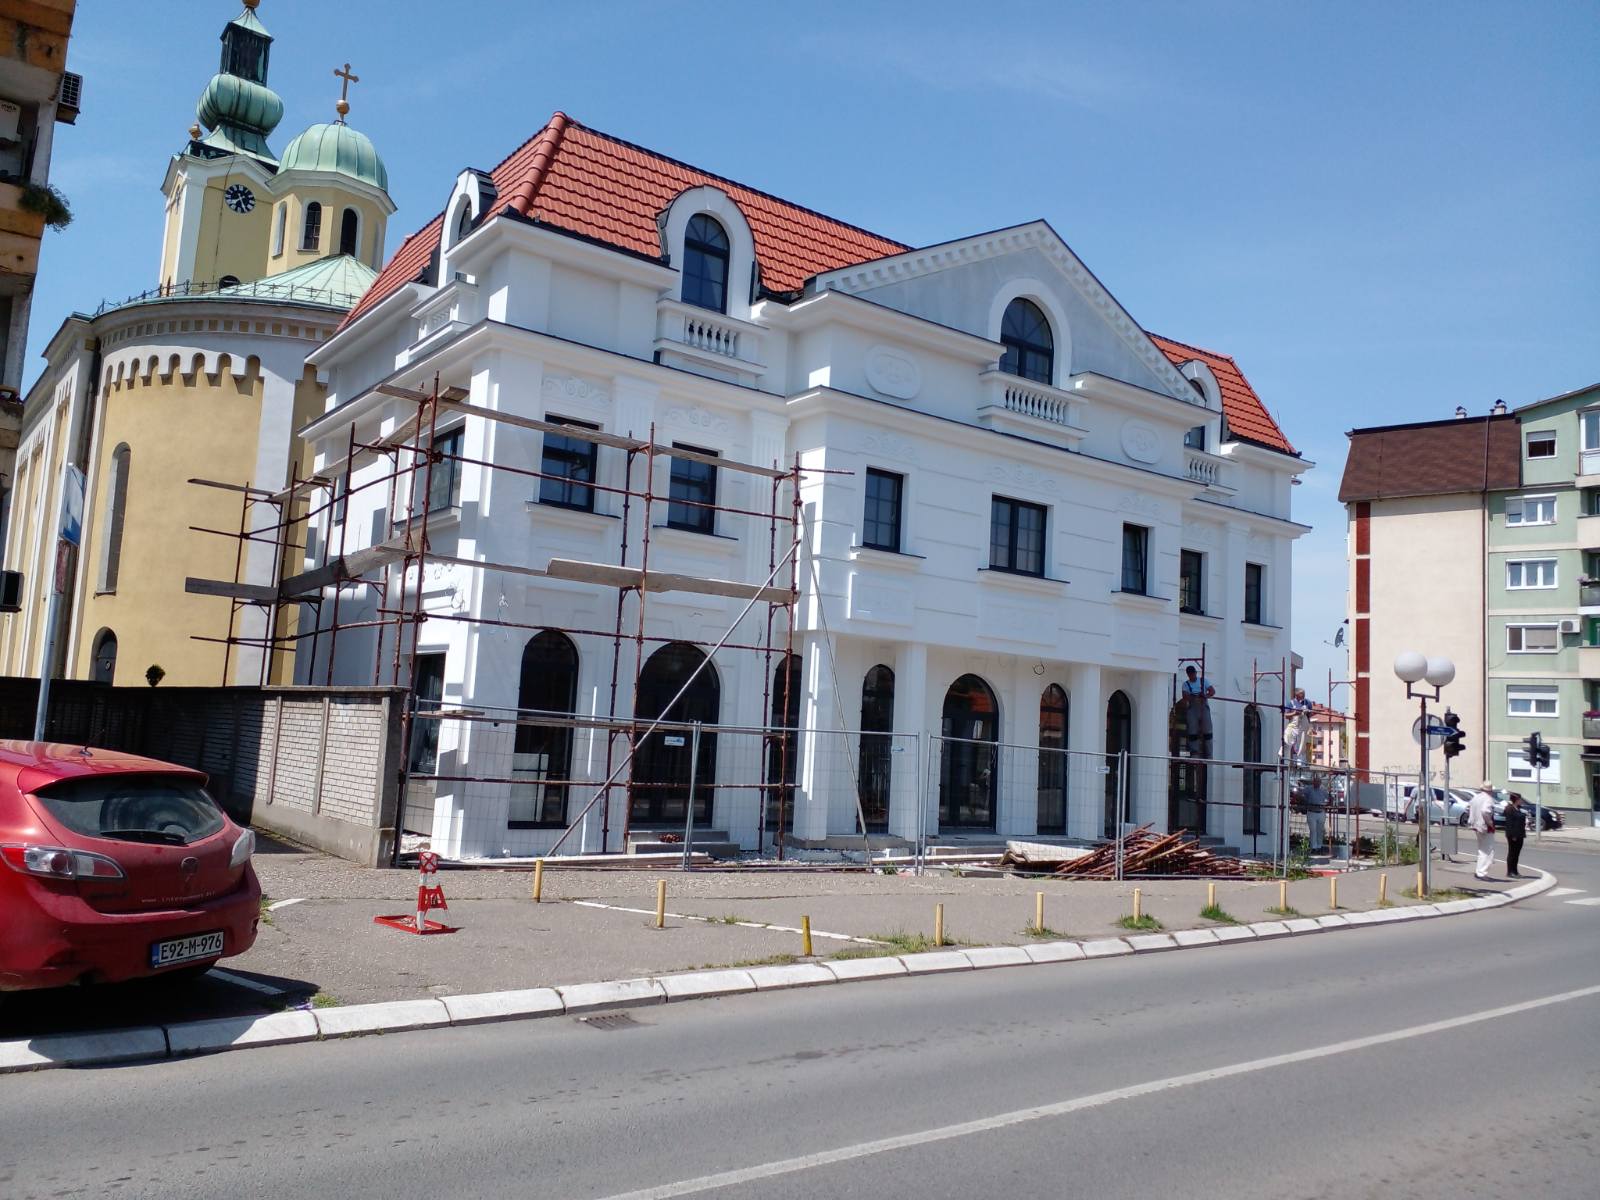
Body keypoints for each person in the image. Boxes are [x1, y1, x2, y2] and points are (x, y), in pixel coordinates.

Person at [1181, 665, 1215, 754]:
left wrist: (1205, 696)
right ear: (1187, 674)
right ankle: (1194, 752)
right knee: (1192, 730)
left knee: (1207, 730)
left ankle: (1209, 753)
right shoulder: (1186, 684)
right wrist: (1194, 697)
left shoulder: (1203, 681)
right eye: (1190, 674)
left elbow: (1212, 691)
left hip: (1203, 706)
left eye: (1193, 674)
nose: (1192, 676)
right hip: (1193, 708)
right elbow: (1185, 696)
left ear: (1196, 673)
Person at [1467, 781, 1497, 880]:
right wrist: (1490, 823)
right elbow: (1485, 811)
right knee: (1488, 851)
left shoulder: (1476, 797)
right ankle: (1482, 872)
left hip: (1476, 825)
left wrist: (1473, 820)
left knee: (1482, 850)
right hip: (1485, 826)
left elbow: (1468, 808)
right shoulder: (1488, 799)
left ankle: (1479, 871)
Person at [1302, 772, 1329, 853]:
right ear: (1313, 782)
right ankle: (1313, 847)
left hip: (1321, 811)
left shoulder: (1323, 789)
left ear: (1320, 783)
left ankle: (1319, 846)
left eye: (1318, 782)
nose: (1316, 784)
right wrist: (1305, 801)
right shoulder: (1308, 789)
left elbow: (1329, 797)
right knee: (1313, 830)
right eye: (1315, 782)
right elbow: (1301, 795)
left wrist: (1326, 804)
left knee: (1320, 830)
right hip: (1311, 811)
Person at [1502, 792, 1527, 878]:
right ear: (1516, 800)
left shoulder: (1518, 808)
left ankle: (1515, 871)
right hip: (1513, 834)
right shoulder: (1510, 809)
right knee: (1512, 853)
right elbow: (1510, 824)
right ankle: (1510, 872)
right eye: (1520, 799)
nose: (1521, 801)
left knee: (1516, 854)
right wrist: (1513, 835)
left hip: (1520, 833)